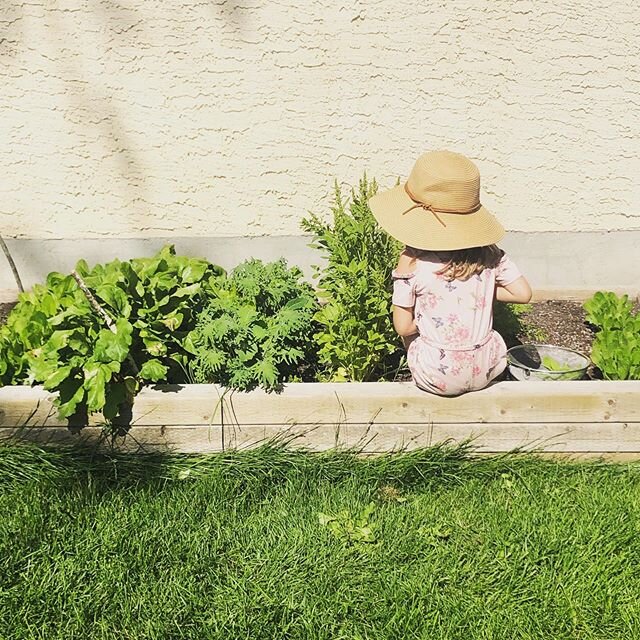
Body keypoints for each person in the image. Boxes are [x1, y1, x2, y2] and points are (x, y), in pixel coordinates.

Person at [368, 150, 532, 396]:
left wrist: (427, 317)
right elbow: (522, 294)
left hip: (437, 376)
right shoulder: (489, 255)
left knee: (413, 336)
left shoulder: (412, 262)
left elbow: (403, 327)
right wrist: (476, 291)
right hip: (488, 368)